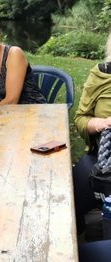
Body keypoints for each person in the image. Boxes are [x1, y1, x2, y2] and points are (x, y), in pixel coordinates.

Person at [73, 31, 111, 238]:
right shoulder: (102, 74)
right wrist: (101, 123)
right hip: (101, 157)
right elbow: (80, 118)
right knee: (70, 198)